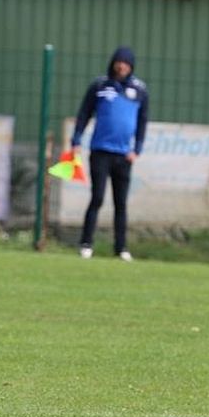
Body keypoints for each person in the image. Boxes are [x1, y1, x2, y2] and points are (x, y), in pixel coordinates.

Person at [71, 46, 149, 262]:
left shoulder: (139, 90)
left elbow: (143, 121)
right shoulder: (100, 85)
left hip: (124, 155)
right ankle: (86, 244)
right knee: (97, 198)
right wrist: (76, 140)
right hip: (100, 152)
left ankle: (121, 248)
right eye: (118, 61)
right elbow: (84, 113)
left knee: (120, 203)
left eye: (125, 62)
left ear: (131, 66)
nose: (121, 66)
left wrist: (137, 149)